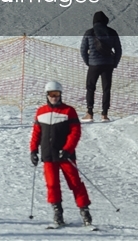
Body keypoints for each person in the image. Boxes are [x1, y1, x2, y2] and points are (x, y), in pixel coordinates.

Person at [29, 80, 93, 229]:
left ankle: (85, 213)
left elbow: (75, 132)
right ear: (47, 95)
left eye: (57, 94)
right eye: (52, 94)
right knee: (52, 185)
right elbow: (36, 133)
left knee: (75, 183)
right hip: (48, 156)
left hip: (65, 156)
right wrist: (33, 150)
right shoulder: (41, 112)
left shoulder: (69, 111)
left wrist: (68, 149)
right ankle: (58, 214)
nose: (54, 97)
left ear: (61, 95)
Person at [79, 11, 122, 122]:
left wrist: (88, 62)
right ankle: (104, 114)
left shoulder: (90, 32)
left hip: (93, 65)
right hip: (108, 64)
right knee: (106, 89)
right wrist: (114, 63)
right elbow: (118, 50)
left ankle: (89, 113)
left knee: (90, 88)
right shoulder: (112, 32)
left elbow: (83, 49)